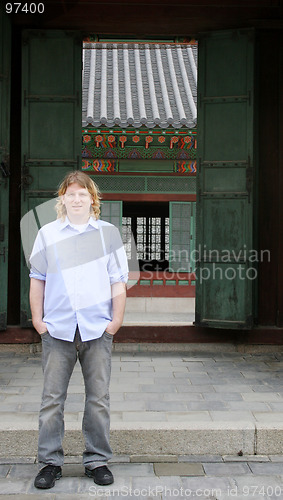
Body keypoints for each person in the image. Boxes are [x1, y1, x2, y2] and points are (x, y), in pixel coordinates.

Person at [29, 171, 128, 489]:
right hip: (56, 329)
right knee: (51, 400)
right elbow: (37, 279)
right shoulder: (47, 234)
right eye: (70, 194)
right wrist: (37, 319)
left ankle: (97, 460)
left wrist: (116, 321)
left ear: (92, 199)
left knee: (98, 398)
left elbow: (118, 281)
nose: (76, 199)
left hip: (97, 329)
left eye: (82, 194)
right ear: (62, 199)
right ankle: (49, 463)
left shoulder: (108, 234)